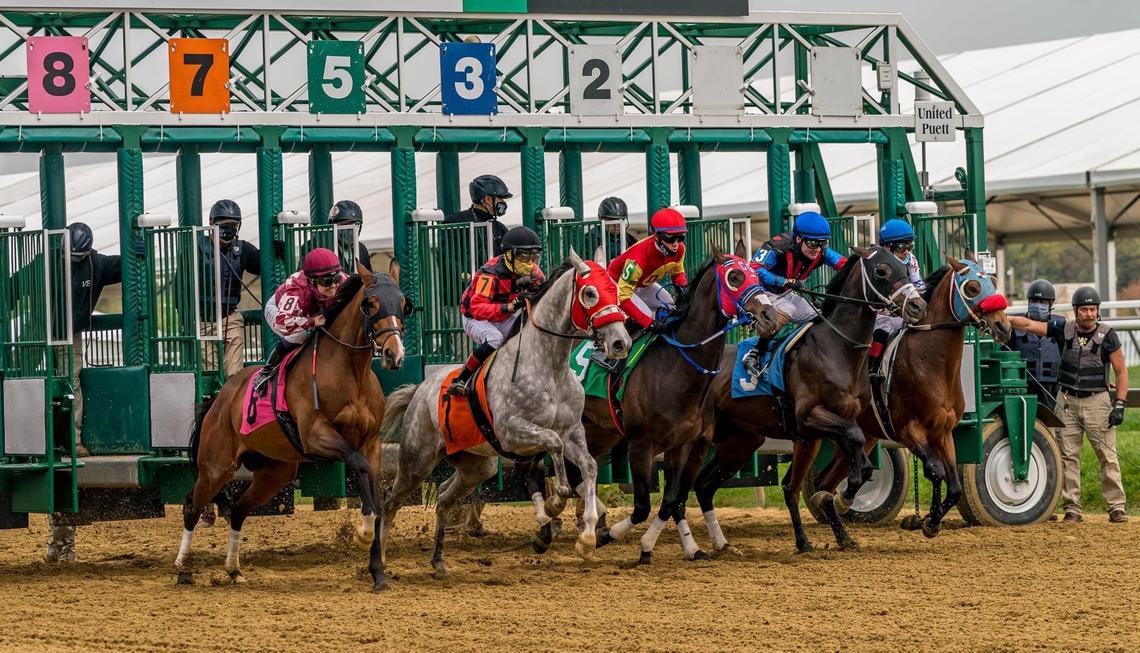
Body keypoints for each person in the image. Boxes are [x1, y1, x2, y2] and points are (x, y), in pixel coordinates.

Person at [1009, 286, 1129, 524]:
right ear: (1075, 310)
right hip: (1068, 402)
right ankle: (1072, 508)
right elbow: (1030, 326)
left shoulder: (1108, 335)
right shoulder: (1063, 329)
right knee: (1068, 457)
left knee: (1107, 456)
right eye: (1084, 309)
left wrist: (1120, 404)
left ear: (1097, 311)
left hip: (1097, 402)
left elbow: (1121, 371)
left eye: (1092, 309)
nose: (1089, 314)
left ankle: (1116, 507)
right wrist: (1001, 317)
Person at [44, 222, 123, 563]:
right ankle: (50, 438)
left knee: (72, 384)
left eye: (81, 257)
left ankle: (71, 438)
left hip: (72, 334)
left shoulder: (98, 263)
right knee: (50, 388)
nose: (77, 262)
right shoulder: (46, 261)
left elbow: (131, 261)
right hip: (44, 334)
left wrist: (140, 242)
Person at [741, 211, 847, 377]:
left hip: (787, 294)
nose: (817, 249)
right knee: (788, 309)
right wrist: (784, 281)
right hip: (762, 294)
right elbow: (755, 268)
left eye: (822, 243)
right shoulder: (777, 247)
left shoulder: (820, 250)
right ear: (798, 239)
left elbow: (843, 264)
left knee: (822, 314)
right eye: (812, 243)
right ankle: (754, 355)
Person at [447, 226, 545, 396]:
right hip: (475, 318)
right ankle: (461, 379)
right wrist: (510, 306)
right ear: (509, 255)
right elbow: (477, 308)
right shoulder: (489, 274)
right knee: (495, 339)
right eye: (524, 256)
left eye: (533, 256)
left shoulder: (534, 272)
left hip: (504, 316)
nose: (530, 263)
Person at [589, 207, 688, 371]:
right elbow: (624, 297)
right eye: (671, 238)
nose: (676, 244)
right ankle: (609, 352)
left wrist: (684, 291)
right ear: (657, 236)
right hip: (616, 284)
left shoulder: (679, 250)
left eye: (680, 237)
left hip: (642, 284)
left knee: (671, 309)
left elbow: (678, 273)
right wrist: (648, 323)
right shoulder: (638, 259)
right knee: (648, 317)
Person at [253, 248, 346, 392]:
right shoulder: (297, 290)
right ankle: (267, 370)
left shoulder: (342, 281)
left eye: (336, 279)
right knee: (299, 335)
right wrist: (311, 322)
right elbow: (282, 322)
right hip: (281, 311)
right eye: (327, 281)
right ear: (311, 281)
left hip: (314, 307)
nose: (334, 285)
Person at [199, 199, 261, 380]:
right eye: (224, 225)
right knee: (212, 375)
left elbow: (261, 265)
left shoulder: (243, 249)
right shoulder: (195, 246)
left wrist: (275, 251)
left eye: (233, 225)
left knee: (234, 375)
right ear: (211, 223)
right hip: (201, 322)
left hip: (229, 318)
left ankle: (236, 405)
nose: (228, 230)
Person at [869, 219, 926, 365]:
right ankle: (872, 367)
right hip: (879, 312)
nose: (906, 251)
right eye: (901, 247)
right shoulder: (878, 263)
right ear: (888, 248)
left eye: (910, 245)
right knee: (883, 329)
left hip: (900, 308)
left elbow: (918, 284)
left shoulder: (911, 259)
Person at [1009, 279, 1063, 412]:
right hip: (1023, 386)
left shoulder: (1060, 325)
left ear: (1050, 304)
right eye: (1034, 301)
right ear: (1028, 302)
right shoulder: (1015, 325)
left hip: (1052, 388)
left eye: (1043, 302)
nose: (1038, 305)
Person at [444, 174, 512, 257]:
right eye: (501, 198)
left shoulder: (500, 228)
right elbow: (447, 259)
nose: (503, 202)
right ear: (488, 199)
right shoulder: (455, 222)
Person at [299, 200, 372, 273]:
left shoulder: (361, 249)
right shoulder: (314, 246)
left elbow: (369, 279)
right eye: (345, 224)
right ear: (332, 225)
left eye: (356, 225)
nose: (351, 229)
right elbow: (302, 278)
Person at [586, 196, 637, 262]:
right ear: (601, 219)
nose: (617, 225)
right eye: (612, 220)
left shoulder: (629, 239)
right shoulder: (591, 238)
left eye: (621, 220)